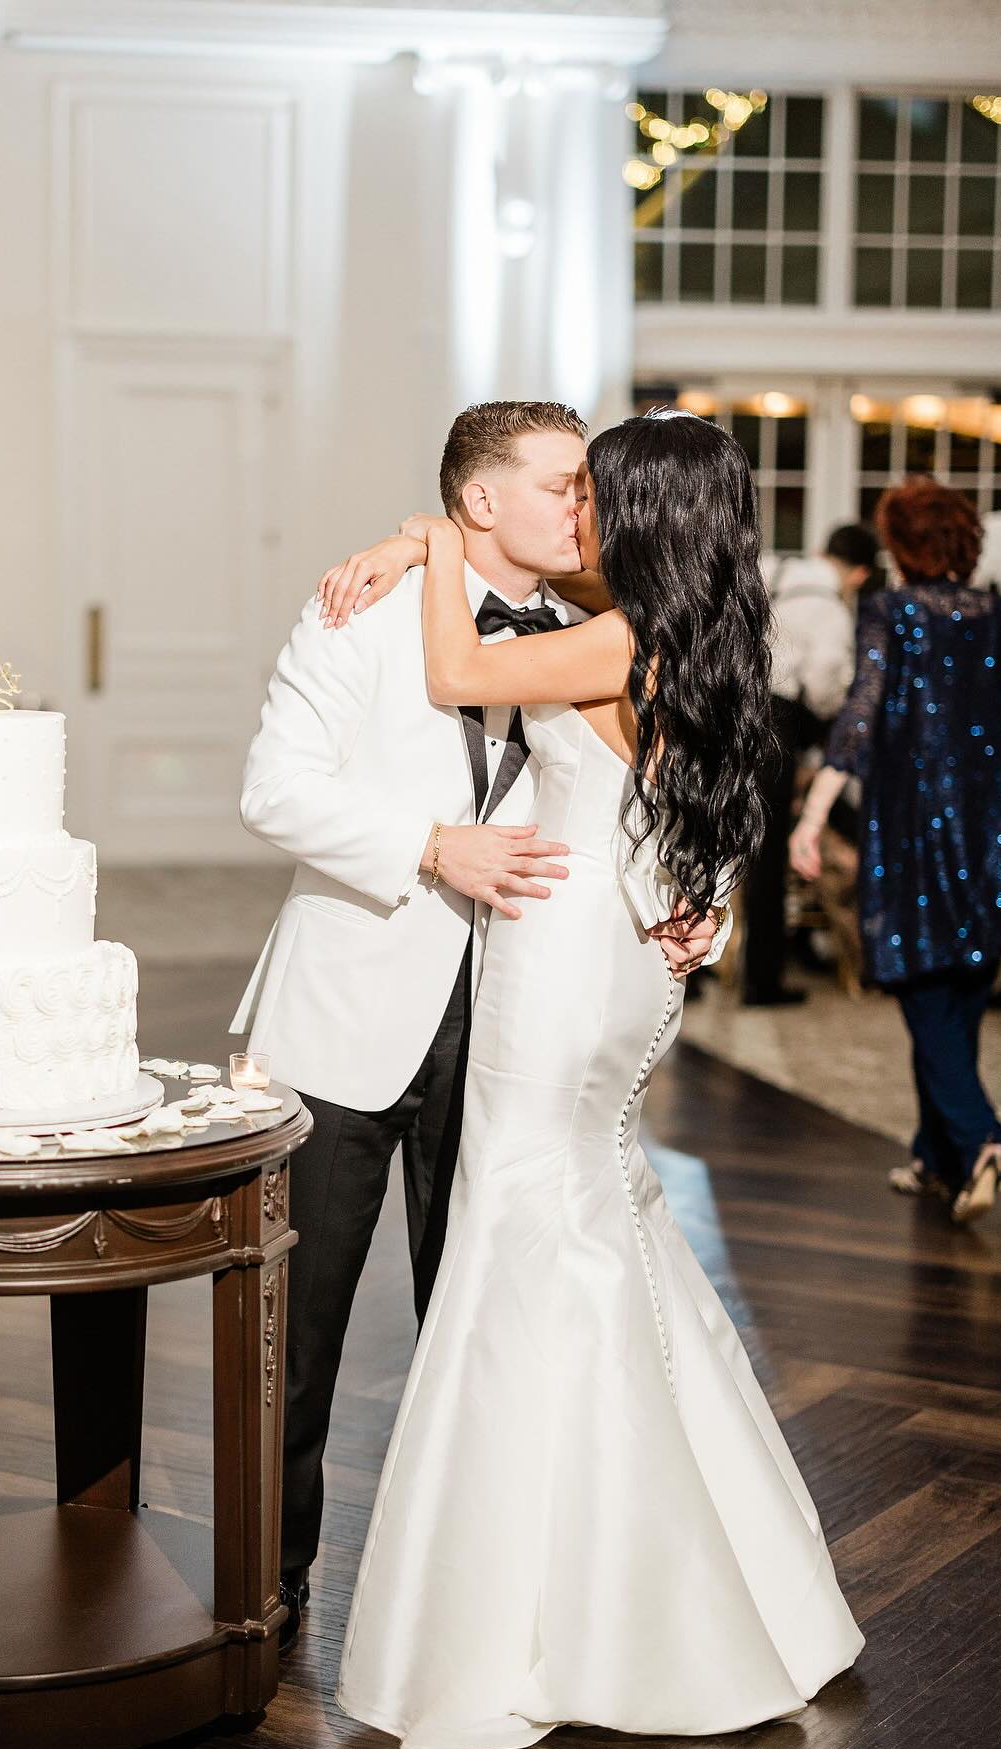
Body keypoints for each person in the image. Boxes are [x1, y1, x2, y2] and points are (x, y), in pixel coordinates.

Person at [317, 409, 862, 1749]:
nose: (578, 517)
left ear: (648, 516)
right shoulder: (697, 633)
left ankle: (574, 1599)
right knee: (598, 1212)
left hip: (559, 964)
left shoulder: (616, 640)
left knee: (526, 1222)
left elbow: (454, 664)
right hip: (626, 959)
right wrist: (423, 532)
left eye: (596, 495)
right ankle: (706, 1563)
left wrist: (434, 538)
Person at [233, 401, 726, 1653]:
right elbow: (273, 788)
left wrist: (696, 907)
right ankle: (266, 1590)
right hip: (350, 1014)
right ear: (482, 501)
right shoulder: (359, 609)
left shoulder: (600, 631)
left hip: (522, 1022)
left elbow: (661, 796)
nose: (587, 507)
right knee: (301, 1332)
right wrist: (426, 844)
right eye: (566, 484)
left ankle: (487, 1595)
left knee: (495, 1323)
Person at [791, 479, 1001, 1224]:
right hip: (991, 832)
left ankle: (982, 1140)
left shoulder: (891, 610)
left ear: (903, 546)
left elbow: (860, 713)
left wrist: (811, 813)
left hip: (916, 831)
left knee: (923, 995)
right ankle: (934, 1155)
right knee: (960, 997)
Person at [744, 524, 881, 1005]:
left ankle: (696, 974)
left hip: (732, 714)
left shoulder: (769, 569)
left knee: (717, 841)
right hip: (777, 724)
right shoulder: (831, 613)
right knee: (768, 858)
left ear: (822, 550)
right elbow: (824, 686)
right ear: (859, 573)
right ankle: (762, 981)